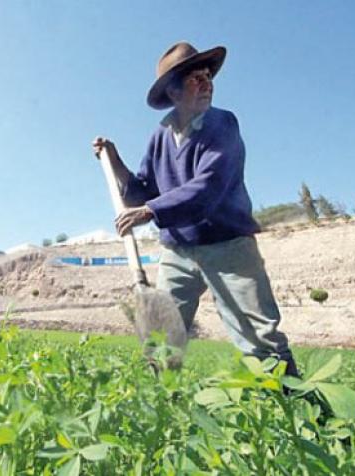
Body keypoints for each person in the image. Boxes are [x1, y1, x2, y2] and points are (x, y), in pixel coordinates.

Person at [92, 41, 299, 377]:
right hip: (177, 251)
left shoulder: (223, 125)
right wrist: (114, 160)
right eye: (195, 79)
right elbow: (140, 193)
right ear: (173, 93)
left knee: (259, 338)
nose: (207, 84)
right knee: (161, 341)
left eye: (208, 76)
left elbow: (208, 187)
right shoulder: (161, 136)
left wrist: (149, 211)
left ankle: (301, 414)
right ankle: (163, 410)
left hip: (228, 246)